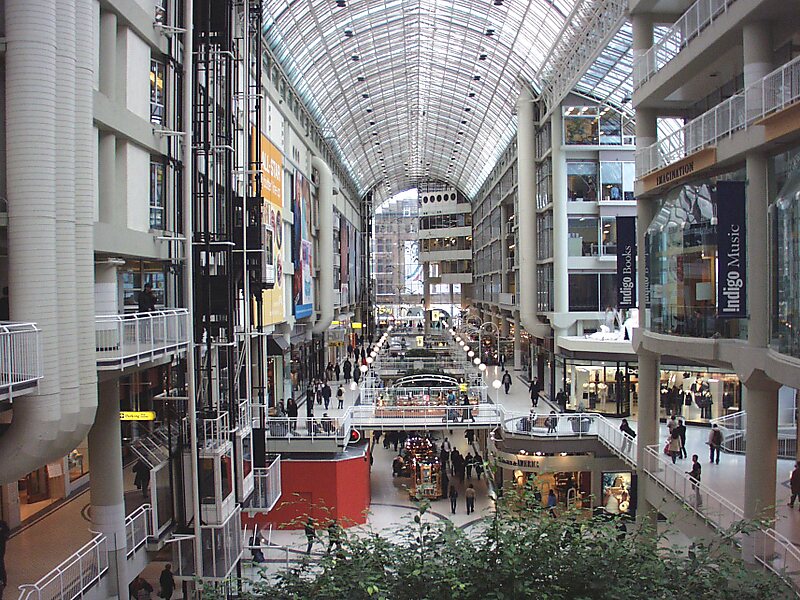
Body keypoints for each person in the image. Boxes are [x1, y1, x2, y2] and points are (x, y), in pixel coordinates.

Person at [0, 519, 8, 589]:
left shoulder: (2, 524)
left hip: (1, 549)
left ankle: (3, 581)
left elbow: (6, 534)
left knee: (1, 565)